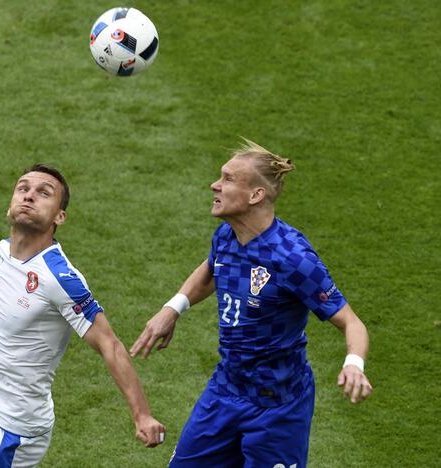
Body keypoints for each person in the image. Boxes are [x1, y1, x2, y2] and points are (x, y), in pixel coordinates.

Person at [130, 140, 373, 468]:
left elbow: (351, 322)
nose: (214, 185)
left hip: (278, 408)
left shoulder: (293, 259)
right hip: (225, 391)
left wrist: (353, 365)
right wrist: (173, 308)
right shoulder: (227, 236)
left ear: (255, 195)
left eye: (228, 179)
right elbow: (211, 270)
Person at [0, 164, 165, 468]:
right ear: (10, 205)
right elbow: (1, 259)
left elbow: (110, 344)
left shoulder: (60, 278)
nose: (29, 196)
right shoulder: (7, 250)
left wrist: (141, 414)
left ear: (59, 217)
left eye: (44, 193)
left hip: (10, 429)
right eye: (23, 188)